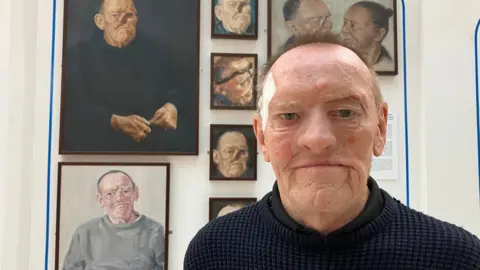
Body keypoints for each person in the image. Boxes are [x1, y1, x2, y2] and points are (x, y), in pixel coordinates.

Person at [183, 33, 480, 269]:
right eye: (288, 116)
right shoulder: (214, 252)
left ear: (380, 129)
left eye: (345, 113)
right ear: (262, 138)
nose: (318, 139)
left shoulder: (457, 257)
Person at [62, 0, 189, 153]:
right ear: (100, 22)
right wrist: (114, 122)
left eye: (129, 15)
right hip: (101, 148)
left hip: (153, 148)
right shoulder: (79, 56)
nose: (123, 21)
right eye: (115, 15)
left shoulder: (158, 52)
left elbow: (182, 88)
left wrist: (172, 107)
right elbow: (73, 106)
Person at [63, 170, 165, 270]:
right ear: (100, 200)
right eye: (110, 194)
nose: (119, 198)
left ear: (136, 193)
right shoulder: (85, 233)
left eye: (125, 191)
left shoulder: (155, 231)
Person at [340, 1, 394, 70]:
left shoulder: (387, 65)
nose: (344, 30)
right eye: (345, 23)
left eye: (353, 25)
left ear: (379, 34)